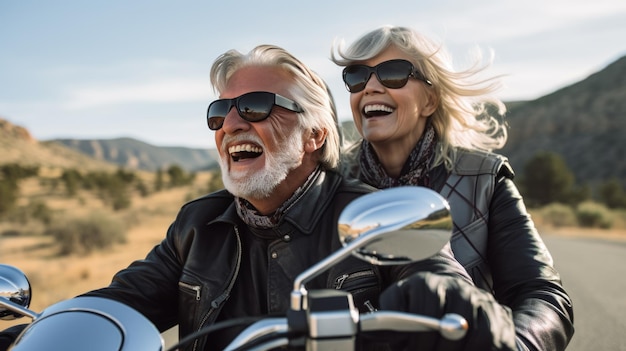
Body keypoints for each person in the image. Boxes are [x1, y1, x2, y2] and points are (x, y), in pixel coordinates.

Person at [0, 44, 517, 351]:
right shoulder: (199, 226)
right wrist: (41, 333)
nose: (229, 123)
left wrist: (451, 301)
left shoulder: (365, 213)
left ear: (315, 135)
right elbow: (122, 301)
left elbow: (443, 280)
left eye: (255, 105)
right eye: (218, 111)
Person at [331, 25, 575, 351]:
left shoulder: (486, 178)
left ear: (430, 99)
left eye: (392, 73)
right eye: (357, 76)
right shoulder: (329, 182)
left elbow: (541, 294)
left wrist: (512, 344)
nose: (371, 87)